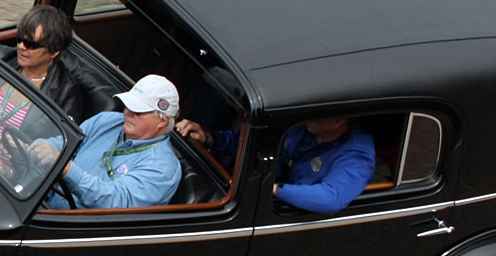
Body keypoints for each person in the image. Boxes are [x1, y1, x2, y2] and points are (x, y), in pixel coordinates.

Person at [34, 74, 183, 209]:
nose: (127, 112)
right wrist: (33, 148)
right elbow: (63, 143)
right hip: (43, 203)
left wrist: (67, 168)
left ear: (163, 121)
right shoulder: (106, 121)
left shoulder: (162, 169)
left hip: (79, 232)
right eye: (128, 104)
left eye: (137, 111)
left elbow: (114, 202)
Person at [177, 115, 373, 214]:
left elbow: (331, 198)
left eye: (315, 114)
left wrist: (273, 190)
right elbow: (256, 144)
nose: (305, 116)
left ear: (338, 121)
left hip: (290, 215)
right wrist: (210, 139)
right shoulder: (302, 128)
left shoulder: (356, 156)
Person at [0, 5, 115, 125]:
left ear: (54, 51)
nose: (21, 46)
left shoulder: (65, 92)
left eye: (30, 44)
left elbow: (59, 140)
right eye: (19, 39)